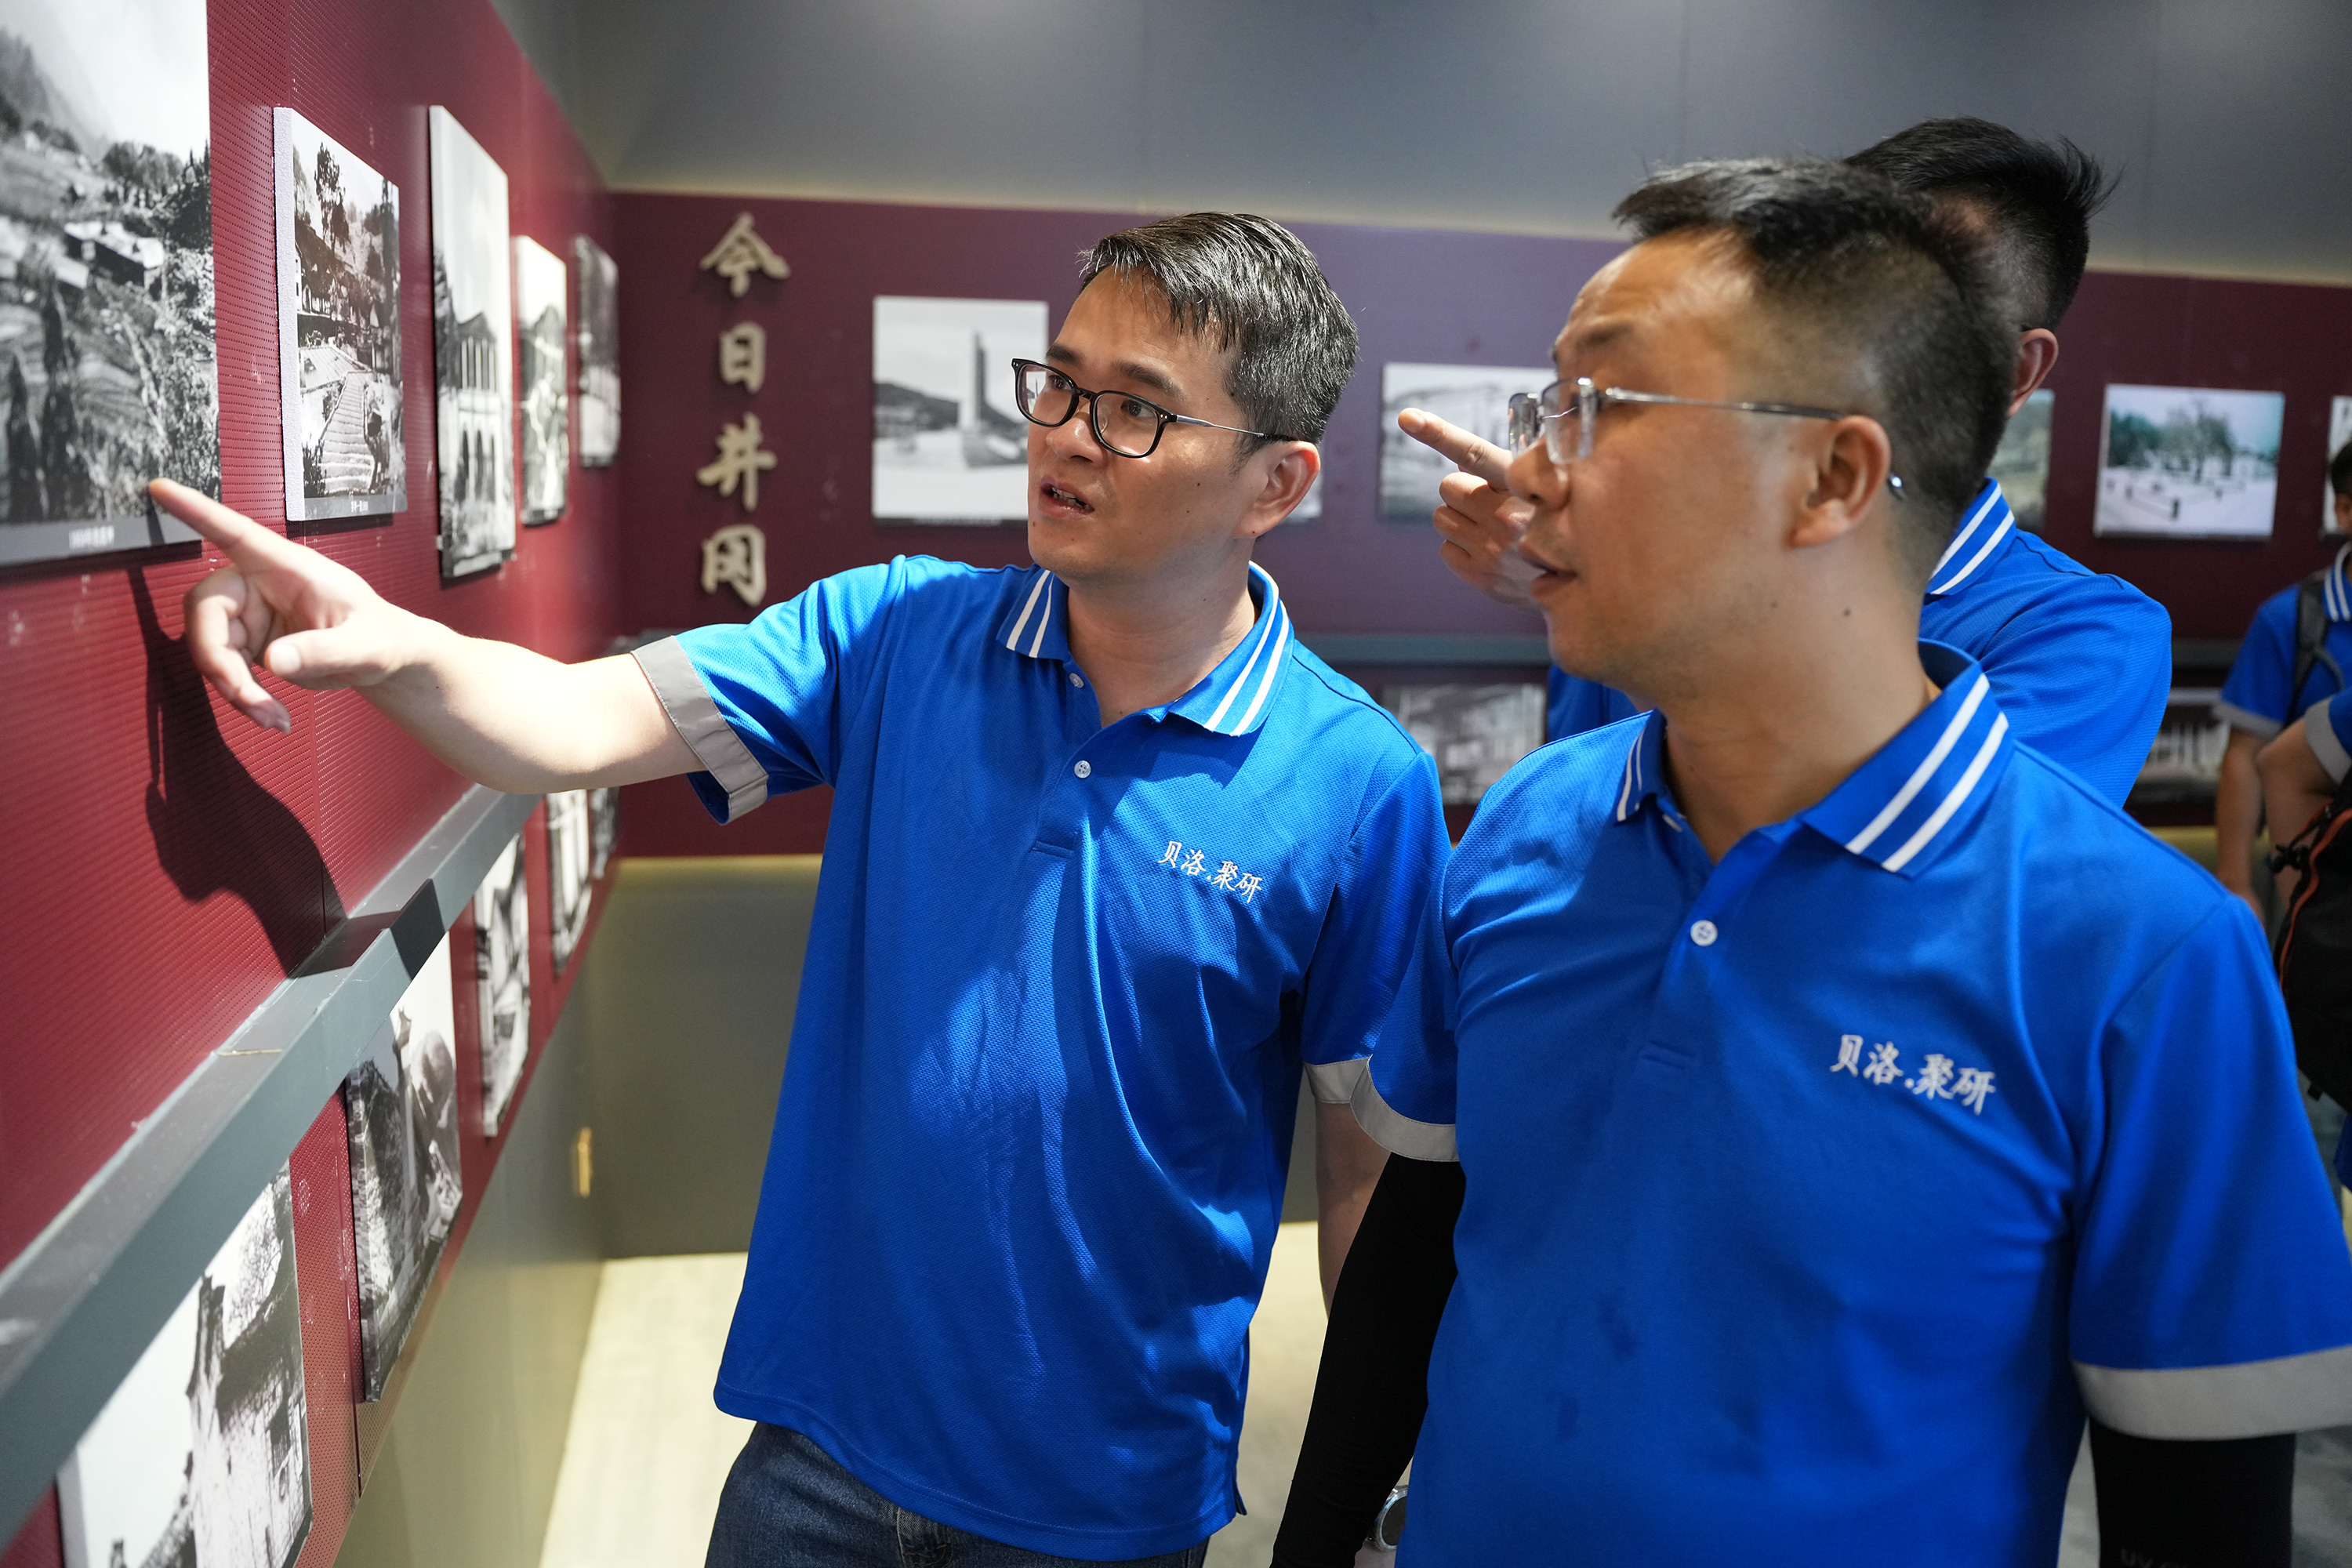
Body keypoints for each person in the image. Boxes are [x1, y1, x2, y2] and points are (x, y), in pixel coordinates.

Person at [156, 212, 1446, 1567]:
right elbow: (568, 723)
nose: (1067, 436)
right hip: (821, 1452)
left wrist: (1377, 1486)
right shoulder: (898, 632)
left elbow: (1368, 1169)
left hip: (1102, 1493)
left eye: (1136, 410)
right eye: (1059, 384)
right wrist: (383, 640)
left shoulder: (1358, 784)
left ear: (1274, 483)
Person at [1272, 159, 2352, 1566]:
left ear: (1834, 476)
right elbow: (1416, 1259)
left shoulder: (2144, 958)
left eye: (1603, 409)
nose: (1531, 474)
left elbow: (2196, 1510)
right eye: (1549, 406)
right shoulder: (1530, 831)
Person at [1401, 118, 2170, 808]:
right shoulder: (1653, 550)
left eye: (1908, 308)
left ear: (2015, 371)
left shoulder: (2086, 633)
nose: (1833, 330)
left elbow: (1933, 852)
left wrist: (1625, 600)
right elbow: (1587, 817)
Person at [2218, 443, 2352, 917]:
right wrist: (2236, 885)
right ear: (2344, 511)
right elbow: (2245, 757)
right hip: (2313, 872)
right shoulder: (2292, 620)